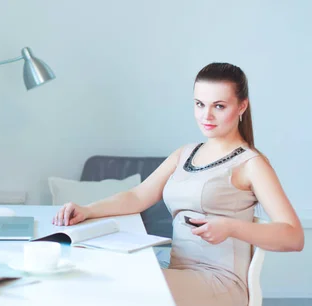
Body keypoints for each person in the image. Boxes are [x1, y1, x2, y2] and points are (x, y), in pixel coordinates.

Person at [52, 63, 304, 306]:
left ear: (242, 106)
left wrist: (230, 227)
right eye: (199, 104)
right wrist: (87, 209)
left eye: (219, 106)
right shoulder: (185, 153)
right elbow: (138, 197)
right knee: (92, 274)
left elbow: (293, 236)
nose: (206, 115)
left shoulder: (251, 163)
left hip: (219, 283)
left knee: (120, 285)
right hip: (177, 271)